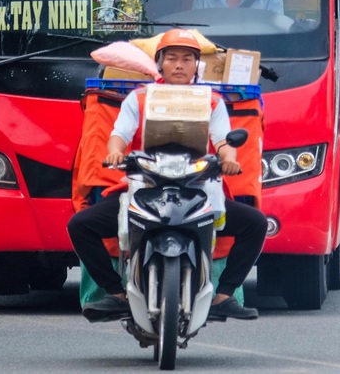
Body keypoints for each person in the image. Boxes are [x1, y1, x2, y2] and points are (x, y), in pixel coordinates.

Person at [67, 28, 267, 322]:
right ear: (159, 63)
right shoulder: (138, 98)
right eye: (171, 58)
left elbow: (224, 141)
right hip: (144, 185)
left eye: (187, 59)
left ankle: (224, 296)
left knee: (256, 224)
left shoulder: (211, 101)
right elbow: (118, 135)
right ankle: (115, 293)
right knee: (80, 225)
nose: (179, 65)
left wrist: (229, 159)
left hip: (198, 187)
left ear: (196, 66)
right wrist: (115, 152)